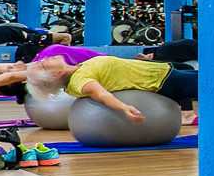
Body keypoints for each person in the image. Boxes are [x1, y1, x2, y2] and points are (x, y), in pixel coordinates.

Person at [26, 53, 198, 126]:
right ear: (55, 75)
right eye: (44, 64)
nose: (46, 58)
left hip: (164, 73)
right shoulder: (80, 80)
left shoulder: (78, 70)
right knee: (212, 86)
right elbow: (101, 94)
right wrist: (124, 108)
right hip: (164, 81)